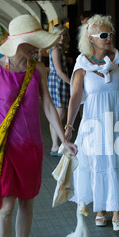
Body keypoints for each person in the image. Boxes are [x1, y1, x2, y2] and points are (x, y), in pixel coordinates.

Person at [0, 14, 77, 237]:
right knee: (7, 208)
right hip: (5, 149)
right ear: (18, 42)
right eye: (32, 43)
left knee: (27, 204)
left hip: (32, 147)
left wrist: (63, 138)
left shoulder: (39, 69)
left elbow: (48, 106)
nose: (37, 48)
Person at [64, 14, 119, 230]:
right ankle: (101, 209)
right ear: (90, 38)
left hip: (117, 122)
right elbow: (75, 98)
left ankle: (117, 212)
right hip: (93, 124)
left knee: (117, 165)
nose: (108, 38)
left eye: (110, 34)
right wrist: (69, 126)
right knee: (98, 165)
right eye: (103, 35)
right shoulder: (81, 64)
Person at [47, 24, 71, 156]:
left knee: (60, 114)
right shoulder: (56, 50)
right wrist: (73, 84)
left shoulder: (59, 49)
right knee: (59, 115)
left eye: (64, 34)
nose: (62, 37)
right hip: (58, 83)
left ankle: (57, 145)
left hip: (59, 83)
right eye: (60, 34)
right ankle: (55, 146)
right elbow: (60, 72)